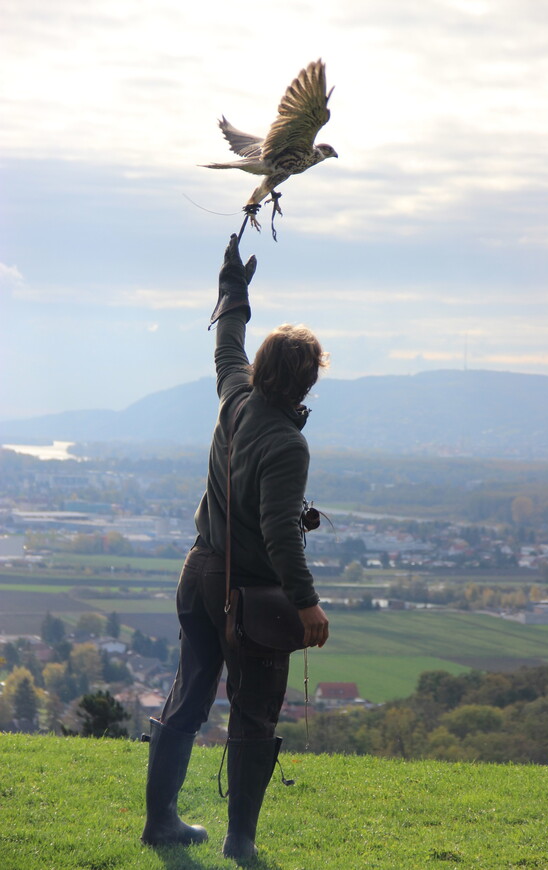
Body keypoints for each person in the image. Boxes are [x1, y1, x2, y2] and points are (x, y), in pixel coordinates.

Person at [141, 234, 330, 862]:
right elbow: (279, 535)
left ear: (261, 372)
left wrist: (232, 287)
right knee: (253, 716)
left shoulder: (233, 397)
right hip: (247, 596)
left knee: (188, 697)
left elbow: (225, 342)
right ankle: (240, 839)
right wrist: (306, 606)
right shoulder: (288, 444)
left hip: (197, 572)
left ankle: (162, 823)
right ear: (305, 385)